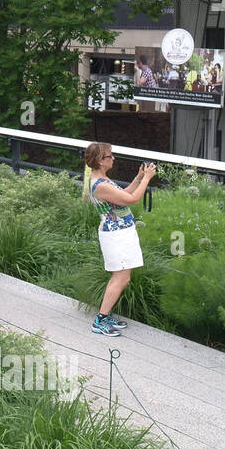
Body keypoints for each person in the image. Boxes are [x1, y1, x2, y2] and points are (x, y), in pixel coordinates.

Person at [84, 143, 155, 336]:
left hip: (120, 232)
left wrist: (138, 178)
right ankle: (100, 320)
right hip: (116, 235)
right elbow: (132, 200)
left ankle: (105, 317)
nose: (113, 158)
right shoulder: (101, 185)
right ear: (100, 161)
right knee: (121, 278)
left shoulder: (101, 179)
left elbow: (123, 195)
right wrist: (147, 179)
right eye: (110, 156)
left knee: (123, 277)